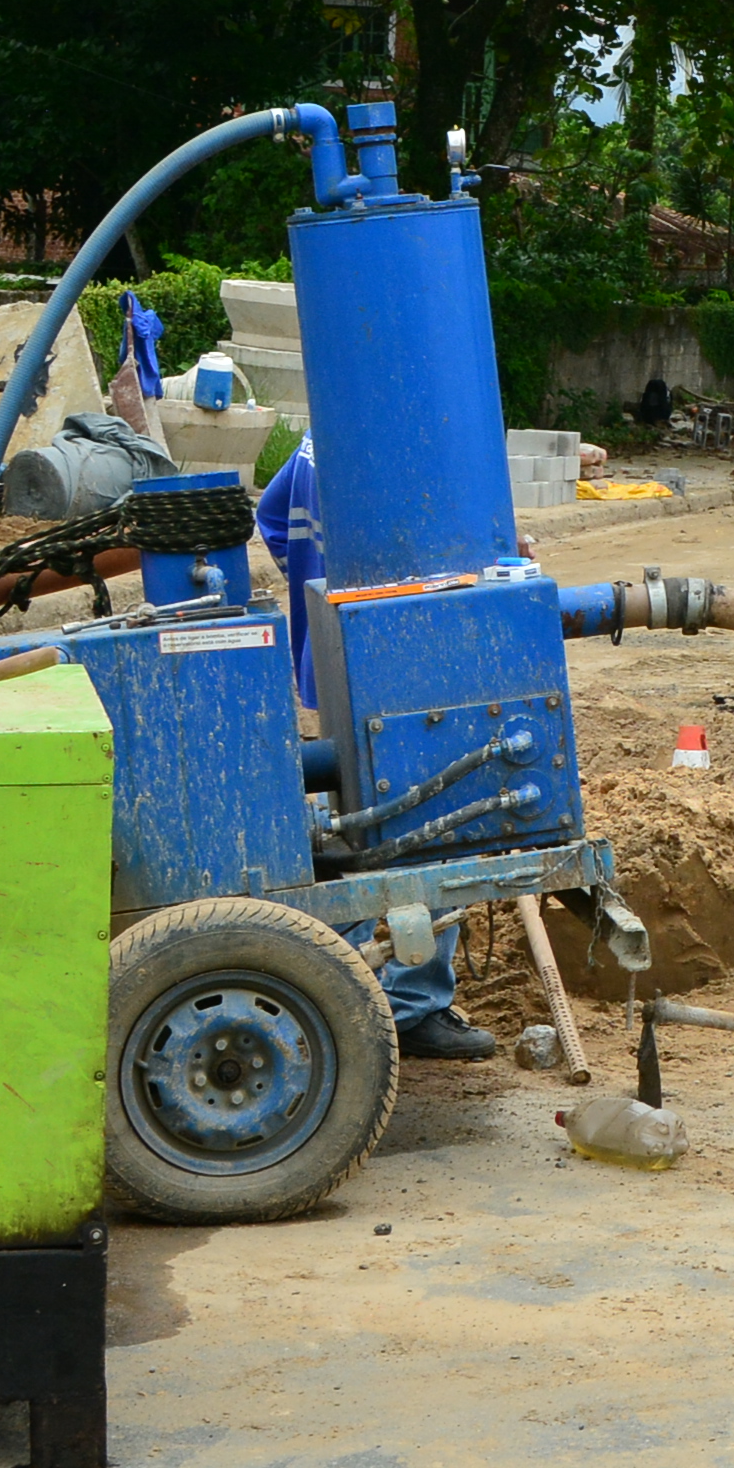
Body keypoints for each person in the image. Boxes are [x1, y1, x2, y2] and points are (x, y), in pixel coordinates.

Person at [254, 438, 493, 1062]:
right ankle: (409, 1004)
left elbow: (272, 517)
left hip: (326, 665)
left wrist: (314, 587)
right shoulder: (402, 442)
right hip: (400, 667)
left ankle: (327, 981)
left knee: (346, 828)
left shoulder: (314, 441)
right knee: (436, 824)